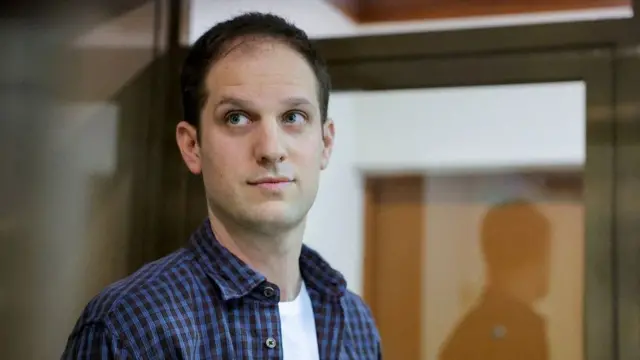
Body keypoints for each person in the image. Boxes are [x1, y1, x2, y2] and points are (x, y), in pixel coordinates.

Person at [62, 12, 381, 360]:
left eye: (293, 117)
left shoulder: (355, 322)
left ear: (326, 142)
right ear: (192, 146)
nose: (271, 149)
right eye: (237, 118)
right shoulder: (130, 327)